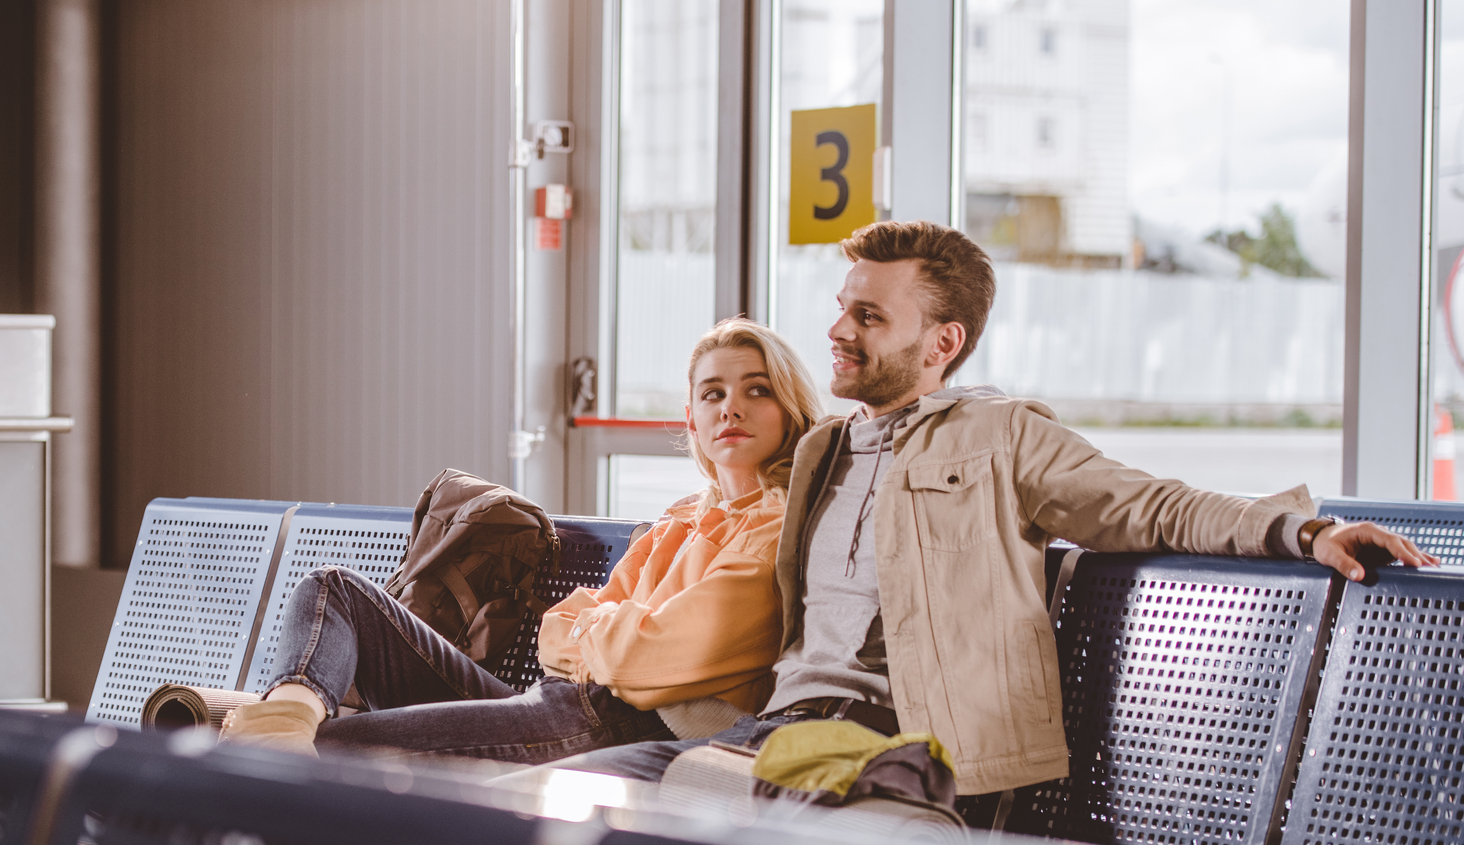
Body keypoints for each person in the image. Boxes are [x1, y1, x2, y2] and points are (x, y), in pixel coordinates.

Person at [545, 220, 1436, 800]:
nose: (838, 332)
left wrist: (1305, 529)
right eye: (841, 309)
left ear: (943, 343)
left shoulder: (999, 436)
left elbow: (1147, 505)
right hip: (770, 740)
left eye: (868, 316)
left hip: (896, 756)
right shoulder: (821, 451)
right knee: (535, 813)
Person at [218, 317, 825, 762]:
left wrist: (604, 637)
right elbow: (555, 634)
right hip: (556, 704)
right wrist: (607, 637)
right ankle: (283, 718)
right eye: (713, 393)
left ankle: (261, 746)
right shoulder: (682, 517)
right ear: (691, 417)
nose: (732, 409)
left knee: (311, 760)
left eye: (757, 389)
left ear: (789, 405)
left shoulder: (778, 529)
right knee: (335, 590)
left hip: (619, 728)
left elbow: (642, 656)